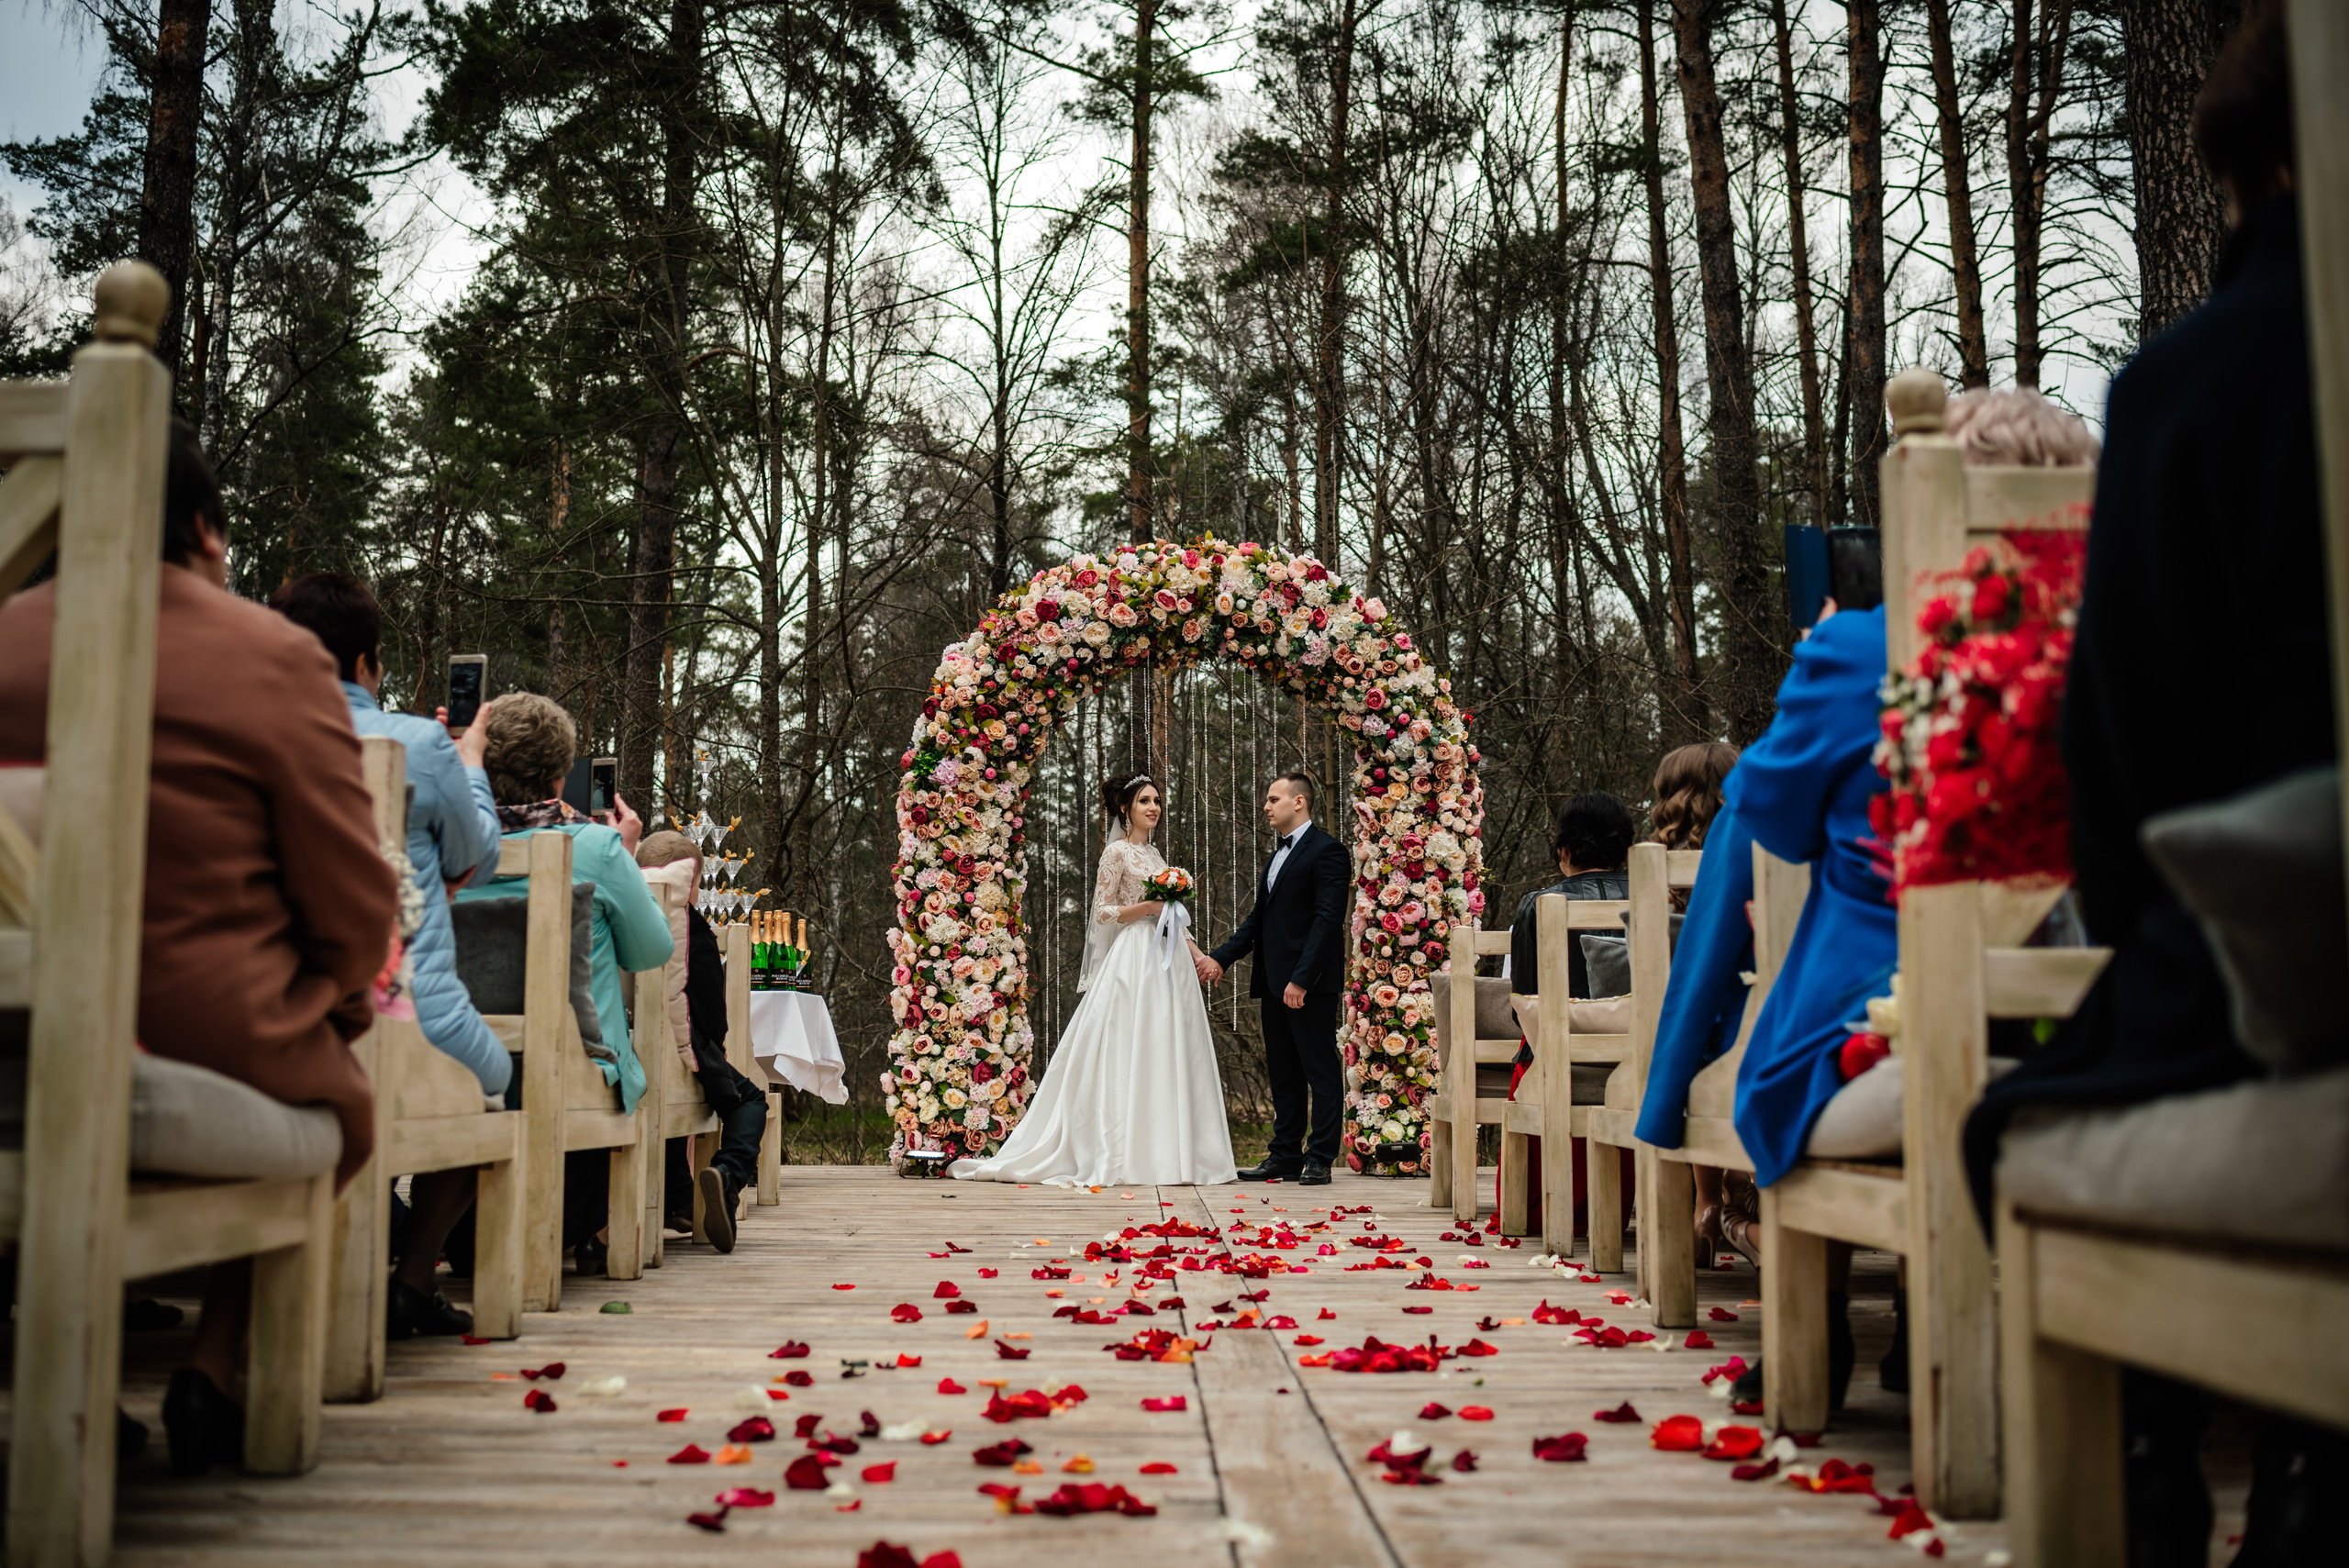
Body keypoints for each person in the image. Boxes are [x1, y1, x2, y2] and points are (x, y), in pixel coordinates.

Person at [1965, 6, 2343, 1559]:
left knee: (2012, 1121)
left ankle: (2144, 1447)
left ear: (2252, 170)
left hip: (2279, 976)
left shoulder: (2199, 383)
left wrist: (2140, 916)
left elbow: (2123, 768)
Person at [0, 420, 397, 1473]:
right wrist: (335, 993)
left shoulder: (9, 636)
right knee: (332, 1094)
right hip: (196, 1023)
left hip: (9, 1037)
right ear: (205, 530)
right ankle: (214, 1366)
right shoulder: (269, 657)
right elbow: (354, 901)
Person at [269, 572, 505, 1338]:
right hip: (406, 1008)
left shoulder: (255, 734)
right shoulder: (418, 740)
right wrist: (468, 759)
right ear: (369, 662)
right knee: (498, 1081)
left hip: (271, 1004)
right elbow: (478, 855)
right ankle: (410, 1274)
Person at [454, 694, 671, 1264]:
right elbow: (652, 952)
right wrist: (620, 852)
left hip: (458, 1062)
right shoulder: (596, 847)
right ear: (560, 775)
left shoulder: (447, 843)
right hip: (573, 1069)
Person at [953, 773, 1235, 1186]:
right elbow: (1102, 911)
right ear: (1126, 808)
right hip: (1135, 957)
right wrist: (1147, 908)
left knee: (1170, 1046)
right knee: (1129, 1044)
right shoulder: (1116, 853)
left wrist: (1199, 956)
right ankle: (1126, 1149)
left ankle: (1174, 1153)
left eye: (1156, 800)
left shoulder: (1157, 856)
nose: (1153, 807)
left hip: (1169, 958)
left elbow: (1173, 916)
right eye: (1144, 801)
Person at [1199, 772, 1351, 1183]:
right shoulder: (1277, 855)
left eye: (1273, 799)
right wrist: (1220, 959)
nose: (1266, 806)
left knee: (1319, 1070)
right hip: (1272, 983)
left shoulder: (1329, 852)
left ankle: (1320, 1156)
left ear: (1298, 802)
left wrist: (1302, 980)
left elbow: (1326, 922)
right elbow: (1258, 921)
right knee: (1283, 1072)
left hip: (1310, 985)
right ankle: (1284, 1154)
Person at [1496, 792, 1635, 1233]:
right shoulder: (1662, 896)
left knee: (1531, 1049)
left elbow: (1525, 1004)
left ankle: (1540, 1203)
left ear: (1565, 850)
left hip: (1562, 1064)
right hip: (1646, 1061)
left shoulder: (1537, 904)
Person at [635, 829, 769, 1252]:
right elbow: (711, 1008)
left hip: (629, 1045)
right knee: (748, 1099)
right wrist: (717, 1049)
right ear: (692, 882)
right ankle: (727, 1175)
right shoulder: (691, 928)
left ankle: (678, 1199)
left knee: (676, 1080)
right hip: (681, 1045)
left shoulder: (621, 913)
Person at [1642, 742, 1746, 1262]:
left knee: (1695, 1037)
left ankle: (1707, 1203)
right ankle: (1736, 1183)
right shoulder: (1760, 845)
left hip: (1688, 1024)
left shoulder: (1658, 868)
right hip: (1749, 1009)